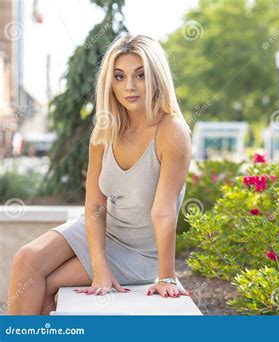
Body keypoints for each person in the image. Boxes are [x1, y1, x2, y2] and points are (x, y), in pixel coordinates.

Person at [7, 34, 192, 315]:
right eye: (119, 76)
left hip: (139, 251)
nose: (129, 86)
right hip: (103, 230)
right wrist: (100, 267)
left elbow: (164, 211)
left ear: (157, 77)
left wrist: (166, 276)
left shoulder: (171, 131)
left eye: (140, 75)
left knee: (49, 284)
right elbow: (94, 204)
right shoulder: (106, 129)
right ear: (109, 82)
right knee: (26, 260)